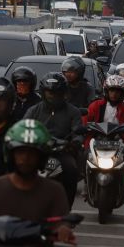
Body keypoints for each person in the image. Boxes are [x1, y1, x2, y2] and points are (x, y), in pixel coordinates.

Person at [0, 120, 74, 247]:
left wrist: (63, 229)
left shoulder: (54, 190)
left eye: (32, 153)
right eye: (20, 152)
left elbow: (61, 221)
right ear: (11, 154)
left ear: (41, 157)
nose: (25, 158)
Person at [24, 72, 83, 206]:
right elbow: (23, 127)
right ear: (43, 93)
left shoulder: (73, 112)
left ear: (63, 93)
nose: (52, 96)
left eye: (56, 93)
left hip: (62, 152)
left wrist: (74, 142)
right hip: (37, 151)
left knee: (71, 169)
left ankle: (66, 209)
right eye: (49, 92)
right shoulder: (34, 110)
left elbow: (78, 132)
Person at [86, 75, 124, 152]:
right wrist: (84, 126)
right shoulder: (96, 105)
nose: (114, 94)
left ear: (122, 93)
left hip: (120, 141)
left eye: (117, 92)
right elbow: (85, 120)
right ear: (106, 91)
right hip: (97, 139)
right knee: (83, 156)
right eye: (112, 91)